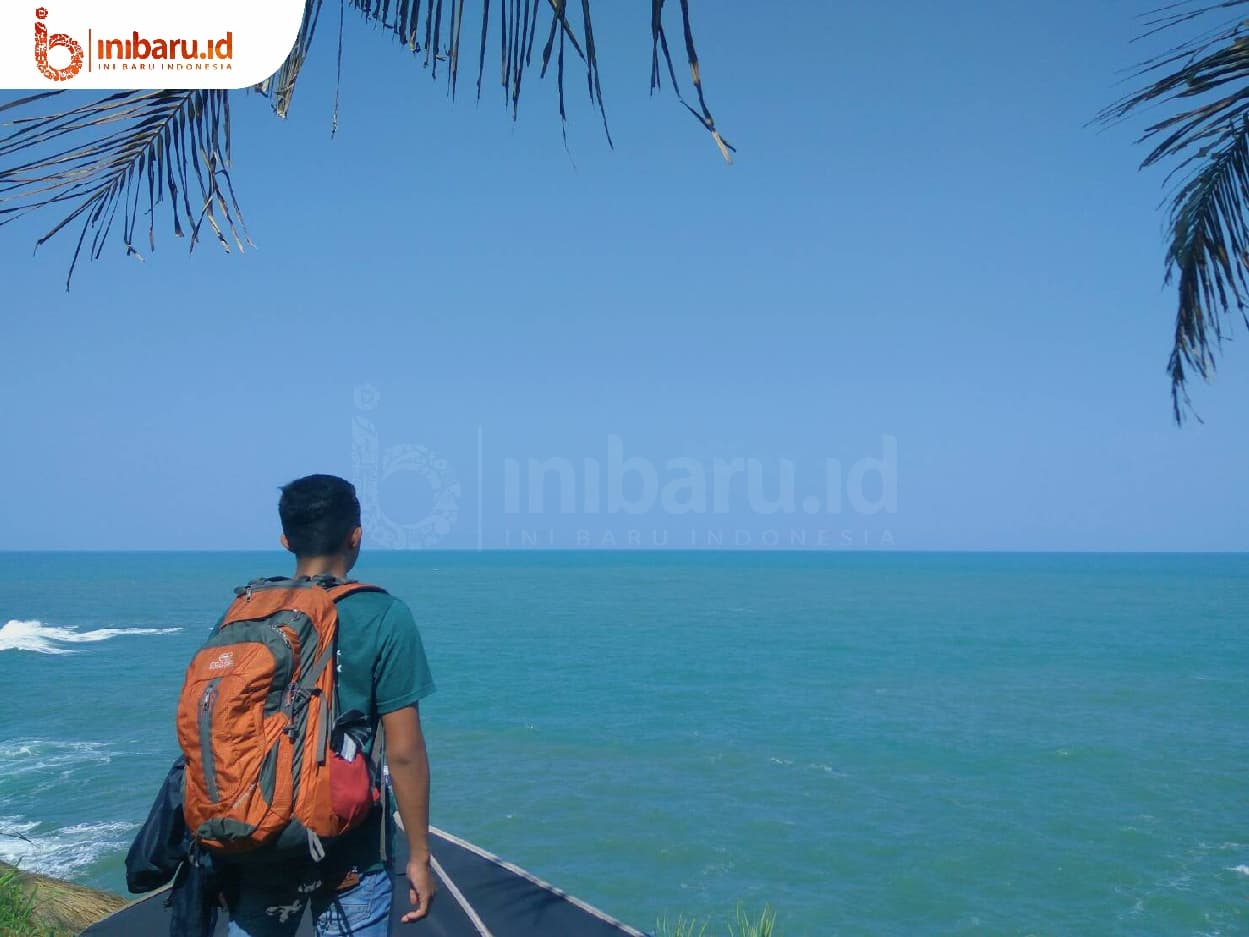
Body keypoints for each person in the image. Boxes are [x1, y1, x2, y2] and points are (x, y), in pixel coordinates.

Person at [224, 474, 437, 936]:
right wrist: (419, 857)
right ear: (355, 536)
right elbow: (404, 752)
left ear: (285, 540)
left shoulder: (247, 610)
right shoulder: (384, 615)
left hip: (257, 832)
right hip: (351, 847)